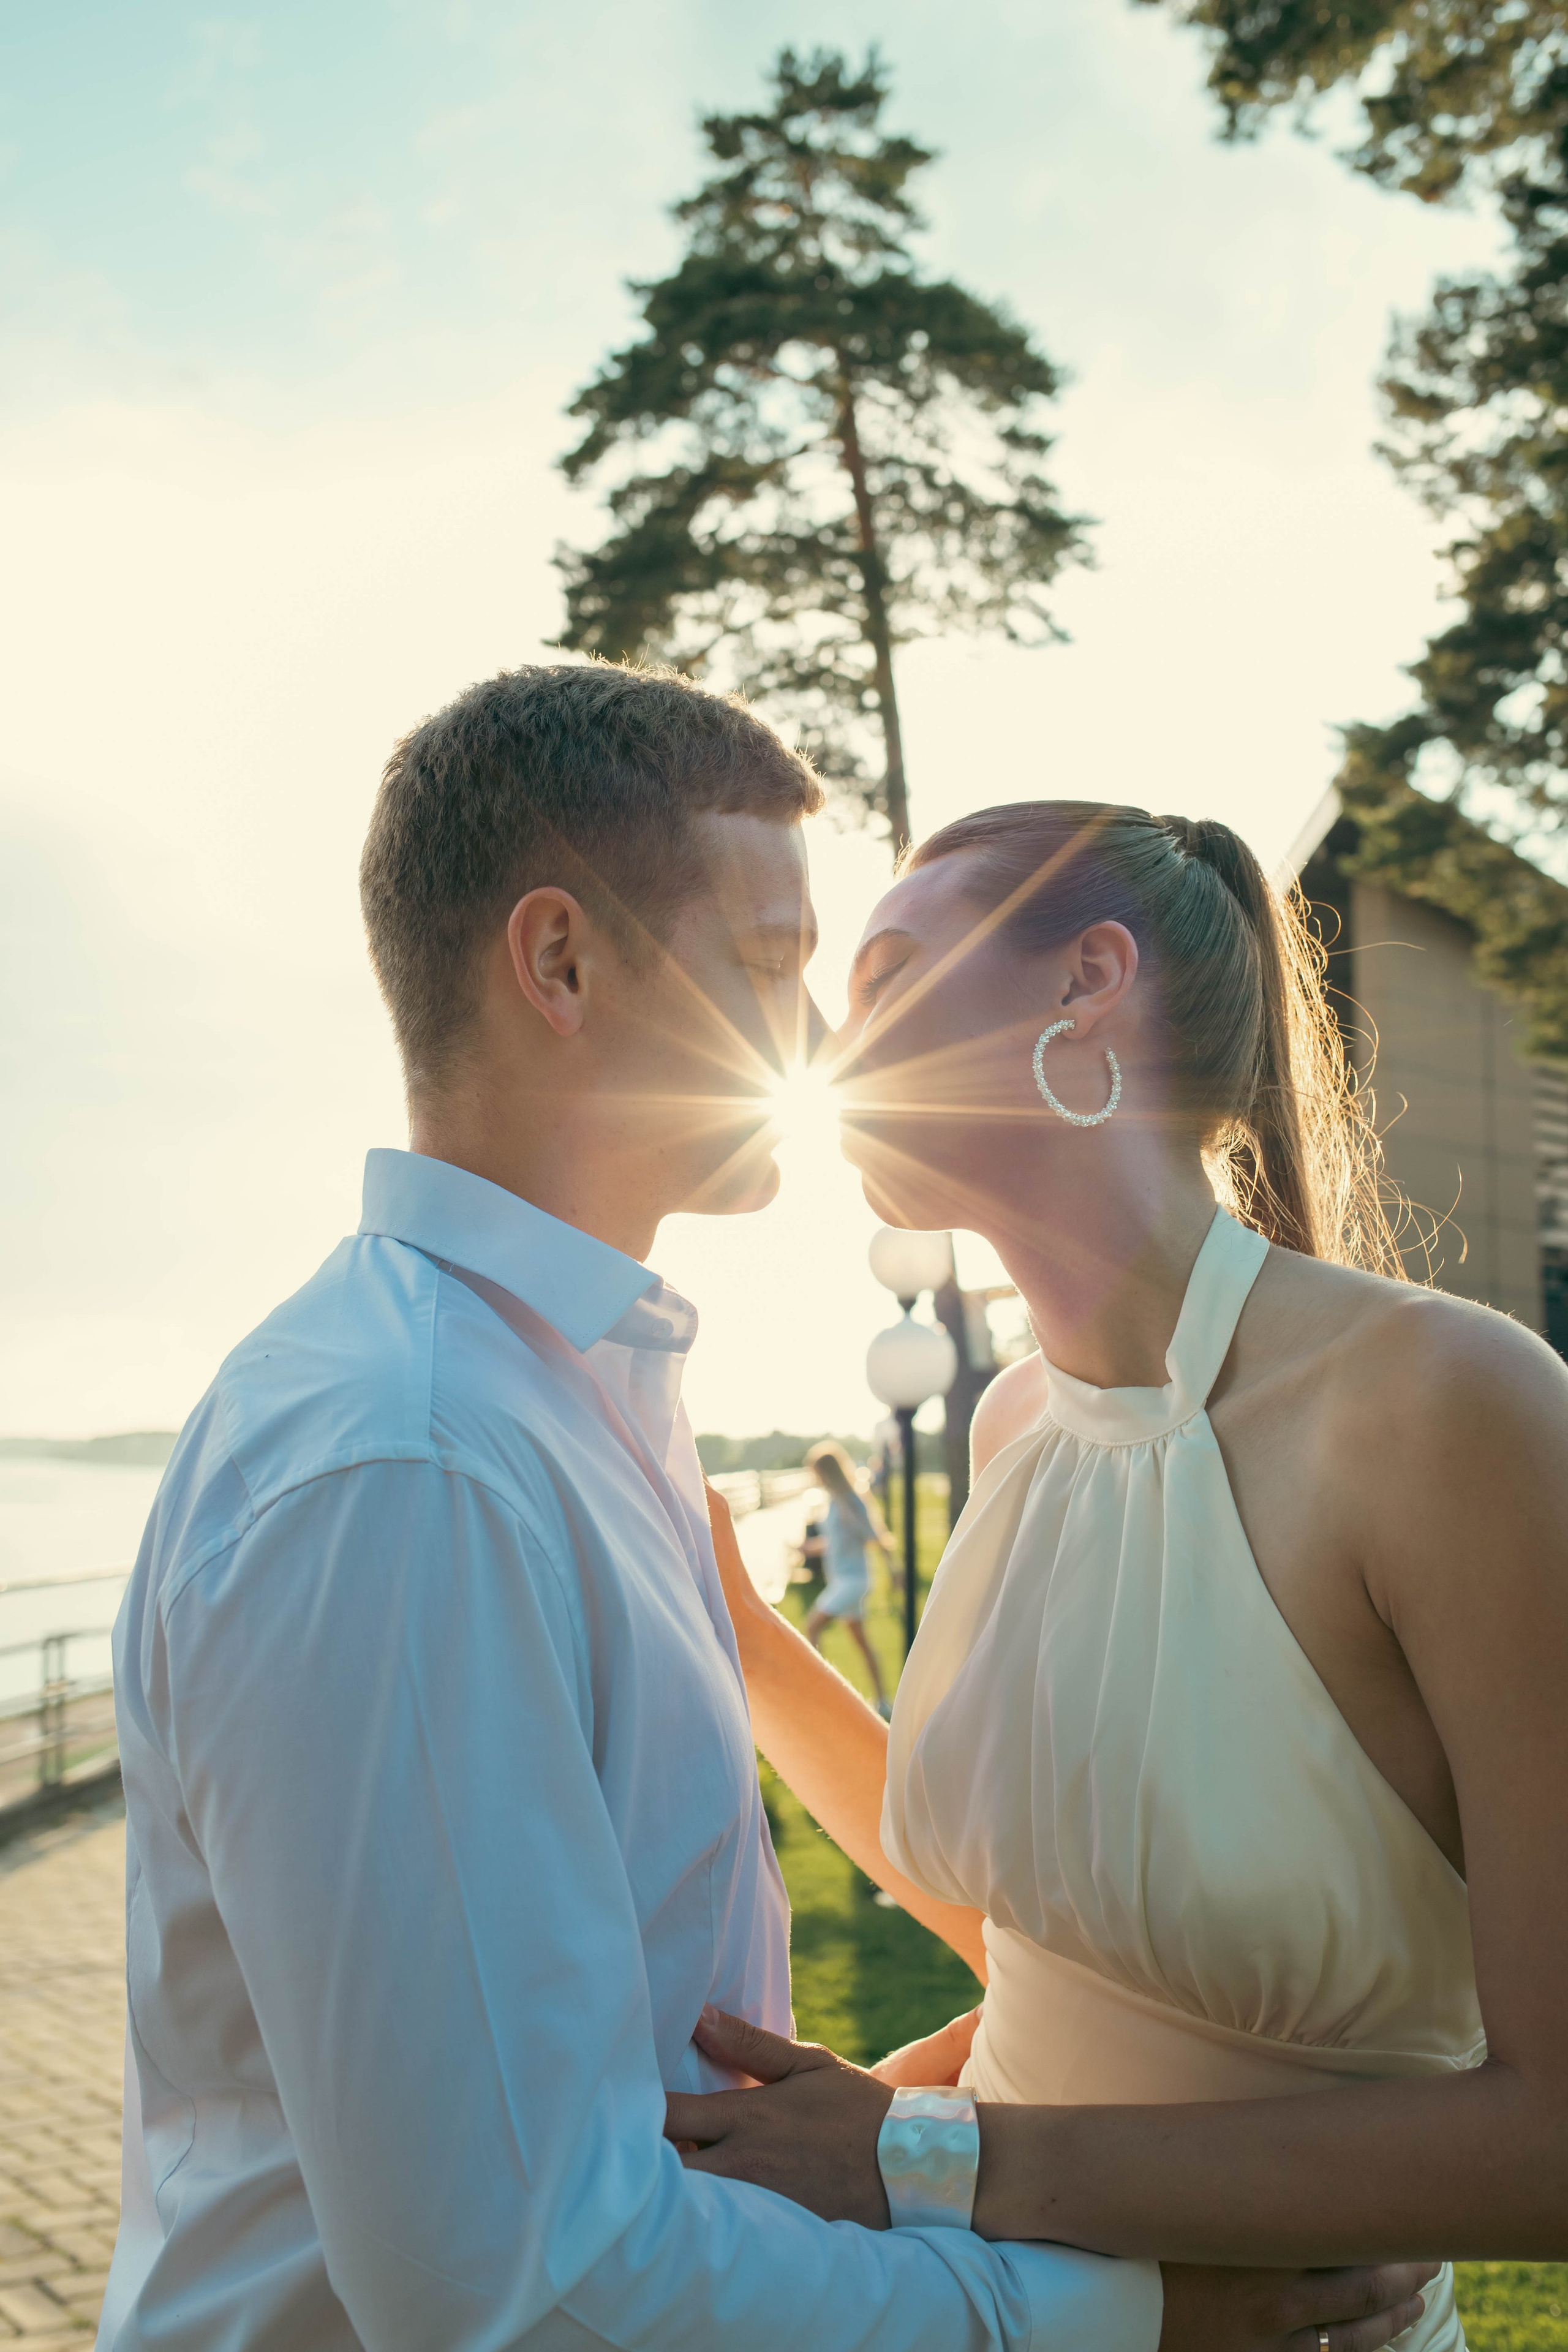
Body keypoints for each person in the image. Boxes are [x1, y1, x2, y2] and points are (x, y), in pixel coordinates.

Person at [96, 685, 1431, 2352]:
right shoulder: (415, 1465)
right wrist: (1118, 2316)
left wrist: (925, 2132)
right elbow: (518, 2279)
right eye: (773, 961)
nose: (813, 1038)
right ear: (560, 963)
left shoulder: (573, 1408)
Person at [667, 801, 1568, 2352]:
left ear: (1086, 980)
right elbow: (1037, 1916)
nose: (821, 1036)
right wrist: (737, 1629)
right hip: (1022, 2311)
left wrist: (922, 2160)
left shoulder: (1446, 1410)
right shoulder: (1014, 1422)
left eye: (884, 976)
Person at [801, 1438, 892, 1709]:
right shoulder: (833, 1502)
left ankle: (819, 1695)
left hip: (853, 1581)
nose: (815, 1478)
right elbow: (835, 1541)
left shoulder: (852, 1501)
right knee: (862, 1642)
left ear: (827, 1471)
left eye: (816, 1472)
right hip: (842, 1579)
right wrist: (808, 1549)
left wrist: (894, 1570)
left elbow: (874, 1536)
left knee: (812, 1627)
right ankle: (883, 1701)